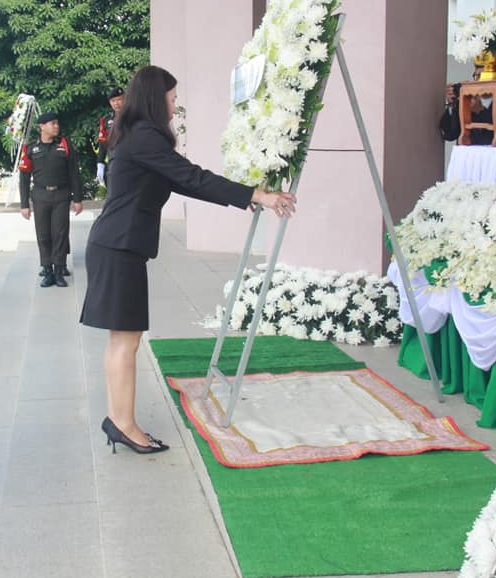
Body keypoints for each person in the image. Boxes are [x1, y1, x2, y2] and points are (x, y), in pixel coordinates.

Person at [79, 66, 296, 454]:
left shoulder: (136, 135)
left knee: (121, 341)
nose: (174, 106)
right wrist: (257, 195)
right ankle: (124, 424)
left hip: (116, 244)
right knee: (125, 341)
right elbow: (193, 176)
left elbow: (183, 181)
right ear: (155, 98)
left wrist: (245, 195)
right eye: (172, 98)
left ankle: (118, 419)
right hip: (119, 247)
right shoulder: (145, 137)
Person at [18, 111, 83, 288]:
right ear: (42, 126)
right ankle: (47, 270)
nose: (56, 126)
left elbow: (74, 173)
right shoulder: (31, 148)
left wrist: (78, 199)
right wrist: (24, 204)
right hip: (40, 196)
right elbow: (24, 178)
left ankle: (59, 270)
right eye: (52, 124)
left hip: (61, 195)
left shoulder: (64, 144)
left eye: (57, 123)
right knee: (43, 234)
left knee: (60, 233)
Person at [440, 78, 493, 145]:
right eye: (476, 76)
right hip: (465, 150)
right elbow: (449, 135)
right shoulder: (461, 107)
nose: (478, 80)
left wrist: (480, 106)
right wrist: (452, 104)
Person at [96, 86, 125, 185]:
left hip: (131, 163)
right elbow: (103, 143)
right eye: (113, 101)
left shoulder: (134, 117)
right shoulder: (106, 120)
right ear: (110, 102)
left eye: (119, 100)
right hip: (114, 163)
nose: (116, 103)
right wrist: (100, 163)